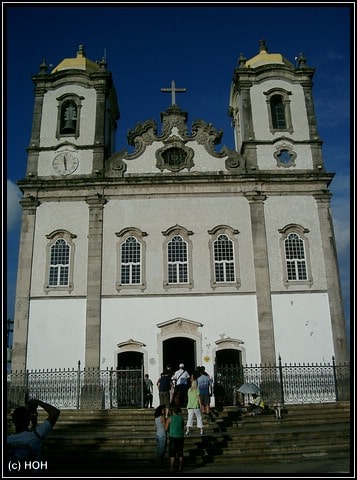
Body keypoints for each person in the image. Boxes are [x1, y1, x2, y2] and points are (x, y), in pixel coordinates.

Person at [7, 398, 60, 464]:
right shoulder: (36, 435)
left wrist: (34, 423)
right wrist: (38, 402)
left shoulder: (8, 440)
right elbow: (55, 412)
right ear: (29, 421)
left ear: (13, 421)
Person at [165, 406, 185, 473]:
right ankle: (180, 467)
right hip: (180, 436)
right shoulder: (181, 418)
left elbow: (166, 428)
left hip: (173, 437)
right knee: (180, 452)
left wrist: (169, 431)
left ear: (172, 411)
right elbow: (182, 426)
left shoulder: (170, 418)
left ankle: (171, 468)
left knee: (172, 453)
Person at [154, 405, 168, 471]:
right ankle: (160, 467)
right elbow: (165, 427)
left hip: (158, 434)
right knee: (162, 451)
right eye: (164, 410)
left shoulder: (156, 418)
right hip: (162, 435)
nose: (165, 411)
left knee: (159, 451)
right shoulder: (162, 417)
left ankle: (159, 465)